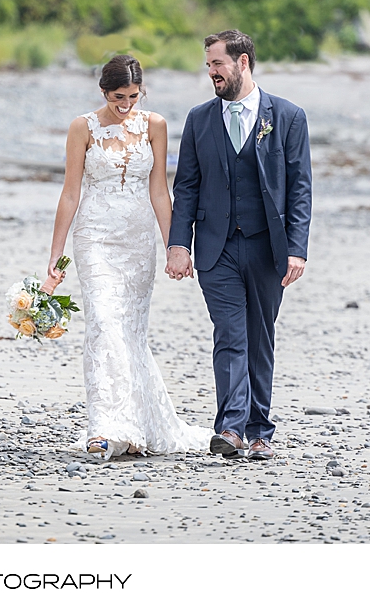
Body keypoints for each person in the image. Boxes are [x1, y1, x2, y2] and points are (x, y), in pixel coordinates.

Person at [46, 54, 211, 460]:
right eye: (119, 96)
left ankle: (137, 424)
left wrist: (177, 245)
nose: (127, 104)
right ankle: (104, 428)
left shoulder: (155, 125)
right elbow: (70, 193)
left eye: (134, 96)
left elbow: (159, 191)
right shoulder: (81, 128)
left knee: (130, 332)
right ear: (103, 91)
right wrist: (55, 257)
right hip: (96, 237)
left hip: (137, 240)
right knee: (102, 323)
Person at [166, 30, 312, 461]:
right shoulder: (199, 119)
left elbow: (300, 188)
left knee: (259, 336)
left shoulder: (286, 116)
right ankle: (230, 429)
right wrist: (179, 243)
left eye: (217, 64)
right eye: (208, 64)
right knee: (230, 333)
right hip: (215, 249)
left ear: (242, 63)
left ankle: (260, 430)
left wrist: (297, 248)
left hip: (269, 247)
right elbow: (187, 185)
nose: (210, 72)